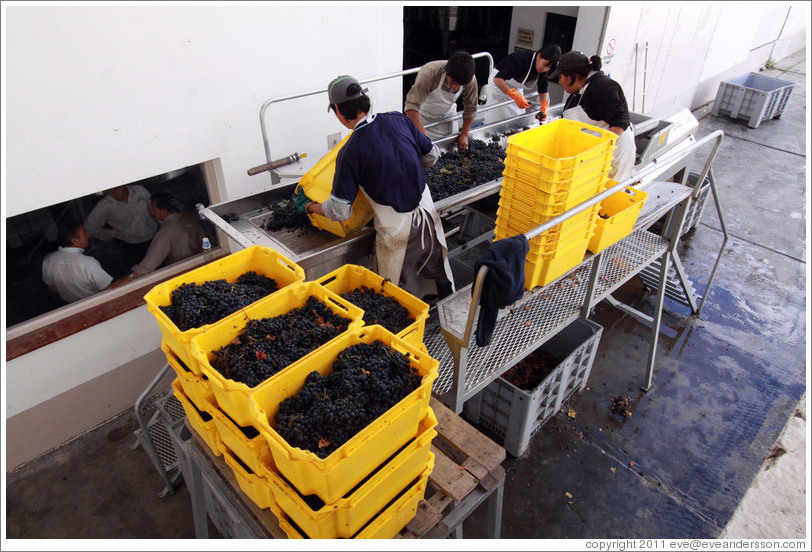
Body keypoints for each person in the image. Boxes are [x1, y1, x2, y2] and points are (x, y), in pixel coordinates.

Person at [294, 75, 455, 301]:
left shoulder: (350, 152)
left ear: (338, 111)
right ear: (365, 101)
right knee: (435, 279)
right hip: (428, 216)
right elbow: (432, 155)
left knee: (397, 296)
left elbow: (340, 211)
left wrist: (310, 206)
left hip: (397, 233)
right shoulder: (398, 119)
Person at [547, 51, 635, 181]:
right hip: (592, 153)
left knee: (607, 193)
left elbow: (619, 122)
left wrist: (600, 153)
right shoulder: (579, 91)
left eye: (560, 77)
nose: (559, 82)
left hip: (613, 155)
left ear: (572, 77)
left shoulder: (603, 88)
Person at [42, 221, 134, 303]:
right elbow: (108, 289)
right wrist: (133, 275)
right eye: (84, 233)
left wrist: (69, 293)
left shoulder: (48, 260)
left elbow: (50, 286)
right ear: (74, 240)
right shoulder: (87, 263)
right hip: (94, 303)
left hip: (69, 305)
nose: (88, 235)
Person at [404, 50, 478, 150]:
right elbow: (411, 107)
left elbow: (471, 109)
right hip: (423, 120)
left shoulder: (469, 80)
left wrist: (464, 134)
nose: (455, 87)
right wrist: (423, 136)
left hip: (448, 119)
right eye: (453, 82)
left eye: (459, 85)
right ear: (447, 72)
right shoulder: (429, 73)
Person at [83, 184, 159, 272]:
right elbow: (90, 228)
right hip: (131, 246)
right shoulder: (104, 206)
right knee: (139, 274)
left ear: (124, 185)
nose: (115, 193)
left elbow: (153, 206)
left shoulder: (139, 190)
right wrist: (113, 233)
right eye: (111, 190)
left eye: (117, 189)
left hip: (154, 237)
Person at [131, 193, 206, 277]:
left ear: (164, 210)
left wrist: (131, 276)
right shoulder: (191, 218)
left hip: (185, 272)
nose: (151, 212)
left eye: (153, 208)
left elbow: (148, 265)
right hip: (204, 264)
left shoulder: (166, 231)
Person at [484, 44, 562, 125]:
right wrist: (514, 95)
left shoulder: (544, 69)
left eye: (549, 67)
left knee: (518, 119)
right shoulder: (521, 61)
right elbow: (497, 79)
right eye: (545, 64)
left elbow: (543, 89)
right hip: (498, 87)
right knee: (497, 120)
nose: (545, 69)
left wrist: (544, 107)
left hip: (515, 88)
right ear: (539, 56)